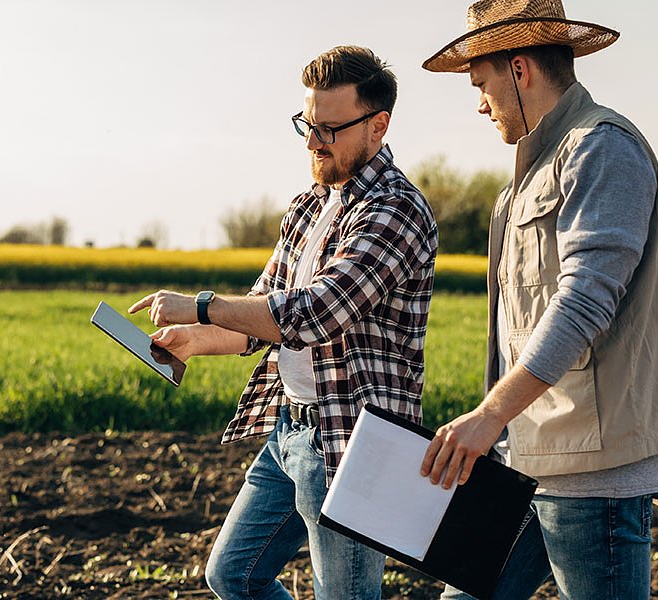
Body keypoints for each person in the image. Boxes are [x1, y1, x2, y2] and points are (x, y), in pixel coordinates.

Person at [416, 1, 658, 598]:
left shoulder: (600, 149)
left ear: (519, 70)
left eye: (483, 85)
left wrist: (489, 414)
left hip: (592, 470)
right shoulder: (528, 176)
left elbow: (583, 301)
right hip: (531, 456)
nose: (480, 103)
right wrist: (502, 430)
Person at [129, 45, 438, 600]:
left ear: (378, 125)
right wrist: (192, 340)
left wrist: (200, 304)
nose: (314, 141)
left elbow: (319, 312)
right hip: (289, 432)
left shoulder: (397, 210)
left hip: (351, 441)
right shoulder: (307, 207)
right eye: (308, 125)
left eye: (329, 129)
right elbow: (261, 315)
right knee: (233, 575)